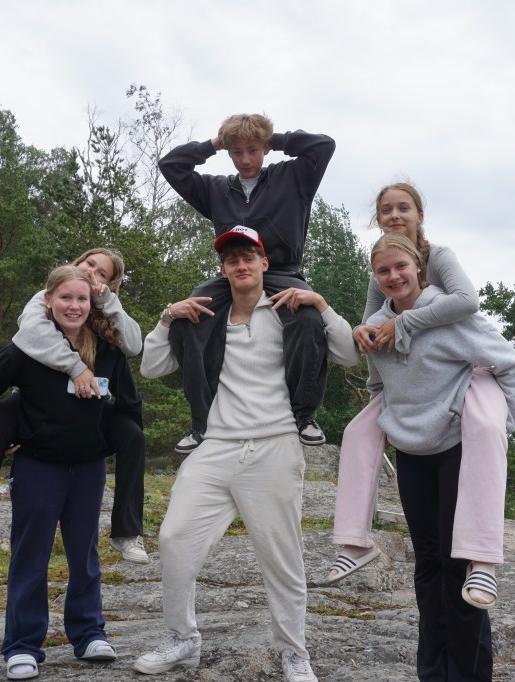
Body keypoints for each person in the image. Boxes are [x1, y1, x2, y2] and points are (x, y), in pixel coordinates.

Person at [133, 226, 359, 682]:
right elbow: (152, 366)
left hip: (274, 444)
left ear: (264, 264)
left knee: (282, 558)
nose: (241, 265)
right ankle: (182, 638)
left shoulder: (291, 312)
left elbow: (349, 354)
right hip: (216, 446)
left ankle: (294, 653)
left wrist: (321, 304)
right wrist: (167, 317)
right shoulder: (204, 318)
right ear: (222, 269)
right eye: (232, 259)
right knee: (173, 538)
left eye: (248, 257)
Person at [327, 182, 512, 610]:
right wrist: (363, 333)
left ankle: (484, 558)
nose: (395, 215)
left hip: (462, 378)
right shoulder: (380, 271)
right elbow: (375, 326)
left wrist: (407, 323)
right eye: (386, 210)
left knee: (487, 425)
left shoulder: (438, 257)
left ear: (419, 215)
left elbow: (466, 302)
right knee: (358, 433)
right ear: (377, 219)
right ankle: (354, 540)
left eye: (403, 208)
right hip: (411, 396)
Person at [362, 233, 515, 681]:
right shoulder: (375, 327)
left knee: (459, 563)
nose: (394, 276)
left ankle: (469, 674)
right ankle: (433, 672)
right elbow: (377, 385)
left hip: (456, 451)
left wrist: (498, 427)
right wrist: (390, 422)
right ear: (375, 277)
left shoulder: (450, 317)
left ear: (418, 266)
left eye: (401, 266)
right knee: (428, 562)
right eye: (383, 270)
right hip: (412, 455)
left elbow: (510, 364)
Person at [0, 265, 136, 679]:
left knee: (84, 553)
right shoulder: (29, 346)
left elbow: (128, 403)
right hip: (38, 466)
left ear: (92, 303)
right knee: (31, 554)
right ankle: (22, 646)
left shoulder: (107, 348)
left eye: (82, 299)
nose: (74, 306)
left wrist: (113, 439)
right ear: (48, 300)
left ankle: (89, 634)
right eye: (65, 298)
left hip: (88, 467)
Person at [0, 248, 149, 565]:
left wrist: (126, 437)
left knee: (133, 434)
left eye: (102, 274)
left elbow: (131, 373)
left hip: (87, 426)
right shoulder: (38, 315)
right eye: (89, 264)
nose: (92, 273)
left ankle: (127, 532)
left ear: (101, 292)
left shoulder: (106, 339)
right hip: (34, 412)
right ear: (52, 297)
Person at [158, 114, 335, 452]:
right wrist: (213, 144)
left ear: (265, 149)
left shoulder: (293, 176)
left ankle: (305, 416)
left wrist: (275, 139)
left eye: (253, 150)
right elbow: (171, 165)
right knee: (193, 313)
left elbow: (323, 146)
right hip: (234, 270)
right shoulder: (215, 189)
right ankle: (200, 424)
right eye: (236, 151)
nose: (246, 159)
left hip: (281, 271)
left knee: (308, 319)